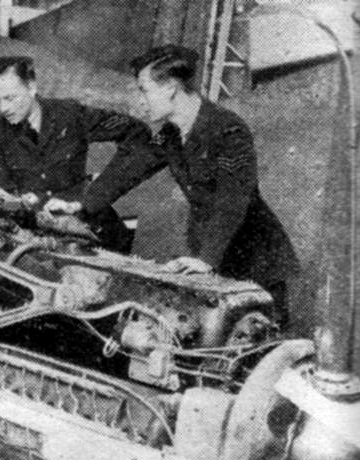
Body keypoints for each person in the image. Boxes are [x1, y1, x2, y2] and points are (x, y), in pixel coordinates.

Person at [81, 45, 298, 322]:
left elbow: (232, 200)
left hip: (255, 261)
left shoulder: (229, 129)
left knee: (258, 334)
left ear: (170, 88)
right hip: (210, 259)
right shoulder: (170, 134)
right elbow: (132, 167)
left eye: (144, 91)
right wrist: (81, 207)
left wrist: (206, 260)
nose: (141, 101)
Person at [0, 56, 149, 252]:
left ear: (31, 87)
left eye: (10, 98)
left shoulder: (70, 114)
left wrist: (101, 188)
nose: (4, 108)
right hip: (42, 235)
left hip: (92, 227)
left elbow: (137, 132)